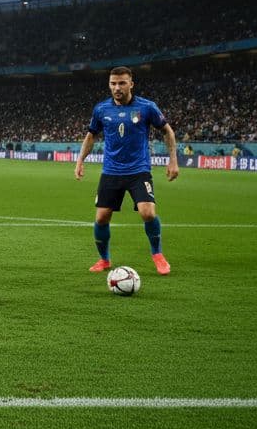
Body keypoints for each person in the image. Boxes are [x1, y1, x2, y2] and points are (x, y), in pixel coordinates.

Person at [74, 66, 179, 276]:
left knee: (147, 212)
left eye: (122, 83)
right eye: (113, 83)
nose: (117, 87)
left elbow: (167, 131)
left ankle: (157, 255)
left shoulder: (147, 107)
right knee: (102, 217)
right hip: (111, 171)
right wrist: (80, 160)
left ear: (131, 84)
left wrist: (173, 160)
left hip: (138, 170)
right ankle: (104, 260)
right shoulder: (101, 109)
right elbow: (91, 135)